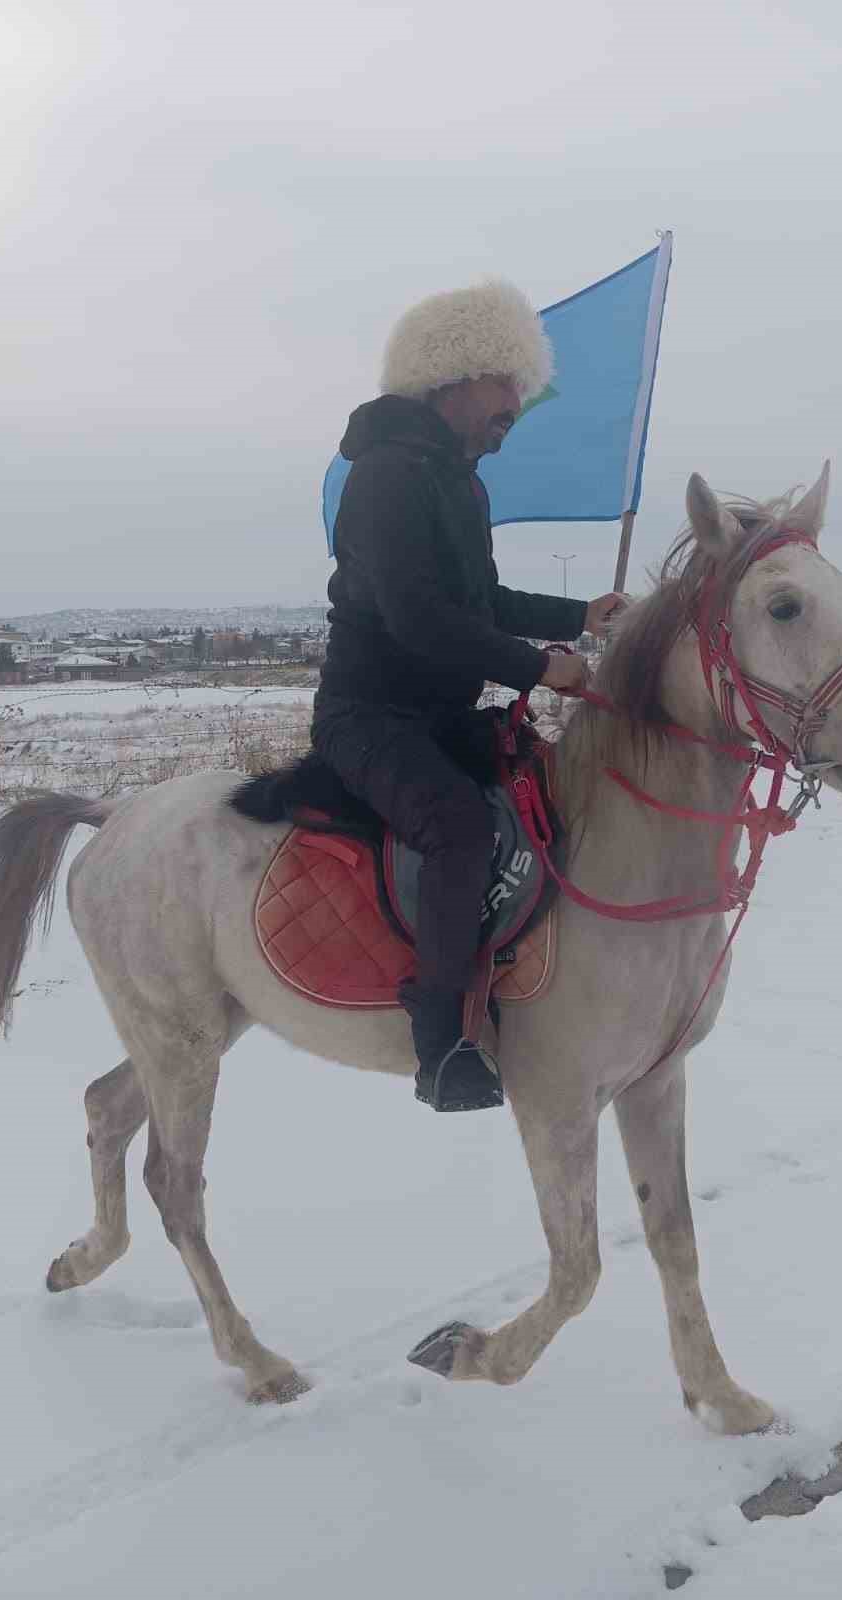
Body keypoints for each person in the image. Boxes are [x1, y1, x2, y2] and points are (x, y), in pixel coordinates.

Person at [312, 279, 623, 1113]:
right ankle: (442, 1045)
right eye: (504, 384)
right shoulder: (384, 479)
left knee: (547, 785)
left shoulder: (460, 482)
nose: (514, 406)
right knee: (455, 825)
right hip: (369, 719)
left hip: (442, 715)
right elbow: (419, 620)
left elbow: (479, 602)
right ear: (453, 375)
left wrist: (579, 615)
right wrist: (538, 667)